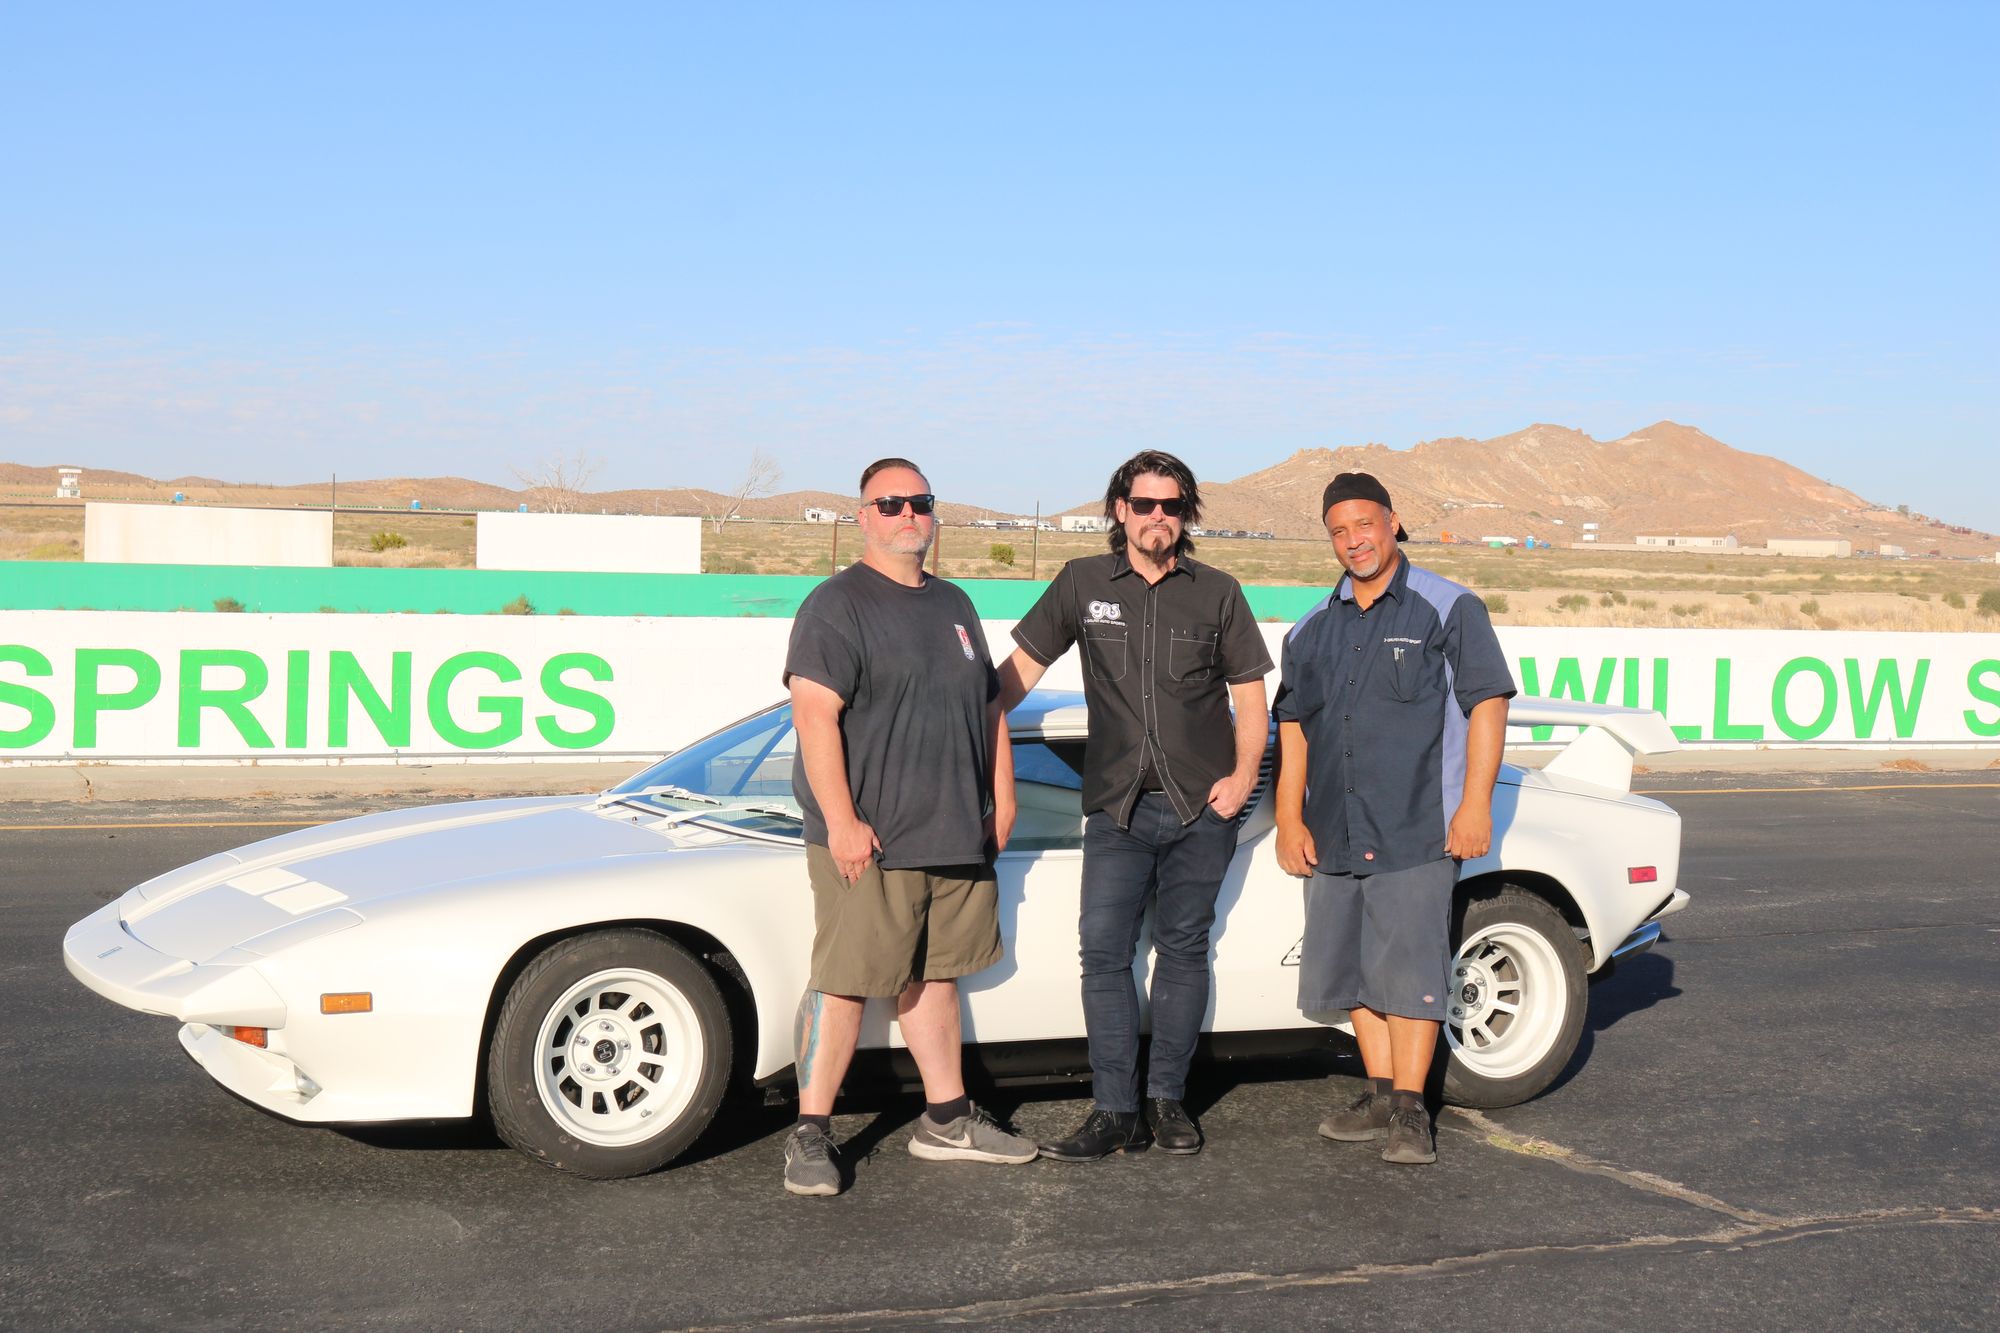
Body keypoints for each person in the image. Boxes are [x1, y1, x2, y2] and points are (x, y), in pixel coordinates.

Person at [998, 450, 1272, 1159]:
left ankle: (1168, 1101)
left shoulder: (1218, 591)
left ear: (1186, 515)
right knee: (1104, 954)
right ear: (1119, 508)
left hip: (1199, 808)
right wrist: (958, 723)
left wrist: (1242, 780)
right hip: (1117, 807)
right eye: (1144, 504)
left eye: (1171, 506)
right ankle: (1115, 1110)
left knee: (1183, 951)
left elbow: (1250, 697)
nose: (1158, 517)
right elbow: (1018, 674)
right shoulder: (1082, 582)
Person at [779, 457, 1037, 1197]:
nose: (906, 515)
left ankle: (947, 1119)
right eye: (888, 503)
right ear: (862, 517)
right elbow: (814, 715)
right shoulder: (836, 605)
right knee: (846, 983)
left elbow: (987, 708)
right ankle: (810, 1133)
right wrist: (843, 821)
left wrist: (1004, 797)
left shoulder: (955, 603)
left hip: (955, 832)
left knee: (937, 977)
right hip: (872, 839)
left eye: (919, 502)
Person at [1273, 471, 1514, 1165]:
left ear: (1393, 520)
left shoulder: (1448, 606)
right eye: (1339, 531)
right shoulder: (1314, 627)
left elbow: (1487, 704)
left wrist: (1474, 803)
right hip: (1334, 828)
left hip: (1417, 825)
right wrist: (1290, 817)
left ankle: (1412, 1109)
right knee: (1351, 970)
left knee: (1409, 971)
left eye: (1364, 524)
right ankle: (1380, 1092)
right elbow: (1293, 724)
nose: (1354, 540)